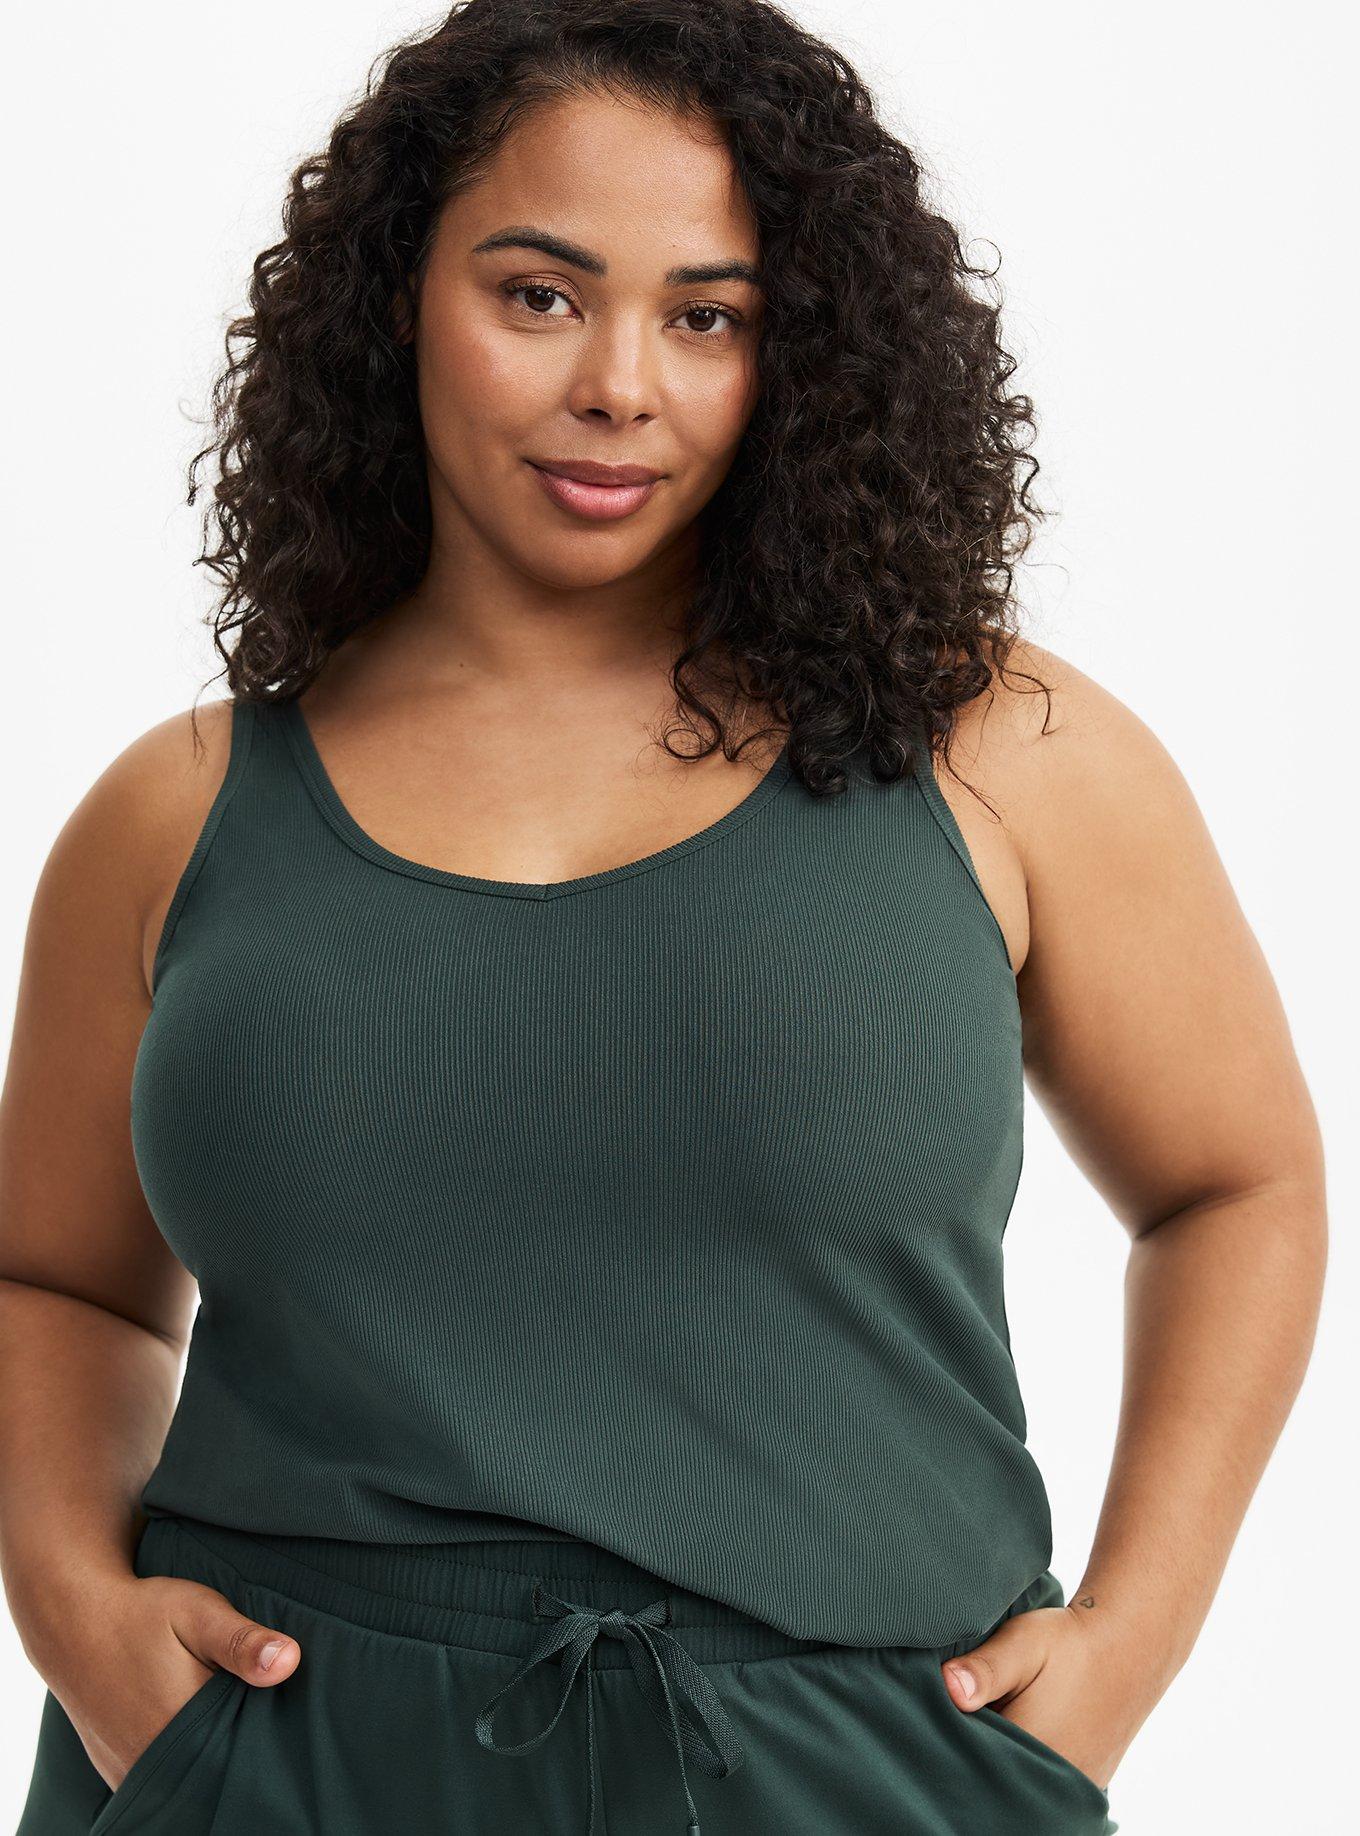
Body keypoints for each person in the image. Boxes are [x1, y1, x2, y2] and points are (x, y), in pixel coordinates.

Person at [1, 2, 1327, 1832]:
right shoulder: (178, 810)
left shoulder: (1005, 751)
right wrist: (73, 1610)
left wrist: (1131, 1642)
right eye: (540, 294)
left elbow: (1239, 1187)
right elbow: (57, 1281)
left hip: (861, 1767)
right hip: (272, 1757)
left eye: (708, 316)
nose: (621, 384)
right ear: (398, 299)